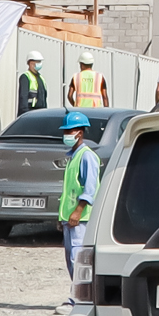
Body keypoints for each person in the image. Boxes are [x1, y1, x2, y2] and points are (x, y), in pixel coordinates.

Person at [57, 119, 104, 278]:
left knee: (78, 260)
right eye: (64, 131)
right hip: (70, 219)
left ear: (79, 133)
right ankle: (76, 291)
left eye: (68, 131)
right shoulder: (74, 156)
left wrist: (78, 211)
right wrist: (62, 217)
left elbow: (90, 189)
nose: (65, 135)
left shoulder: (87, 156)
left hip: (81, 219)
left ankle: (81, 292)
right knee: (71, 260)